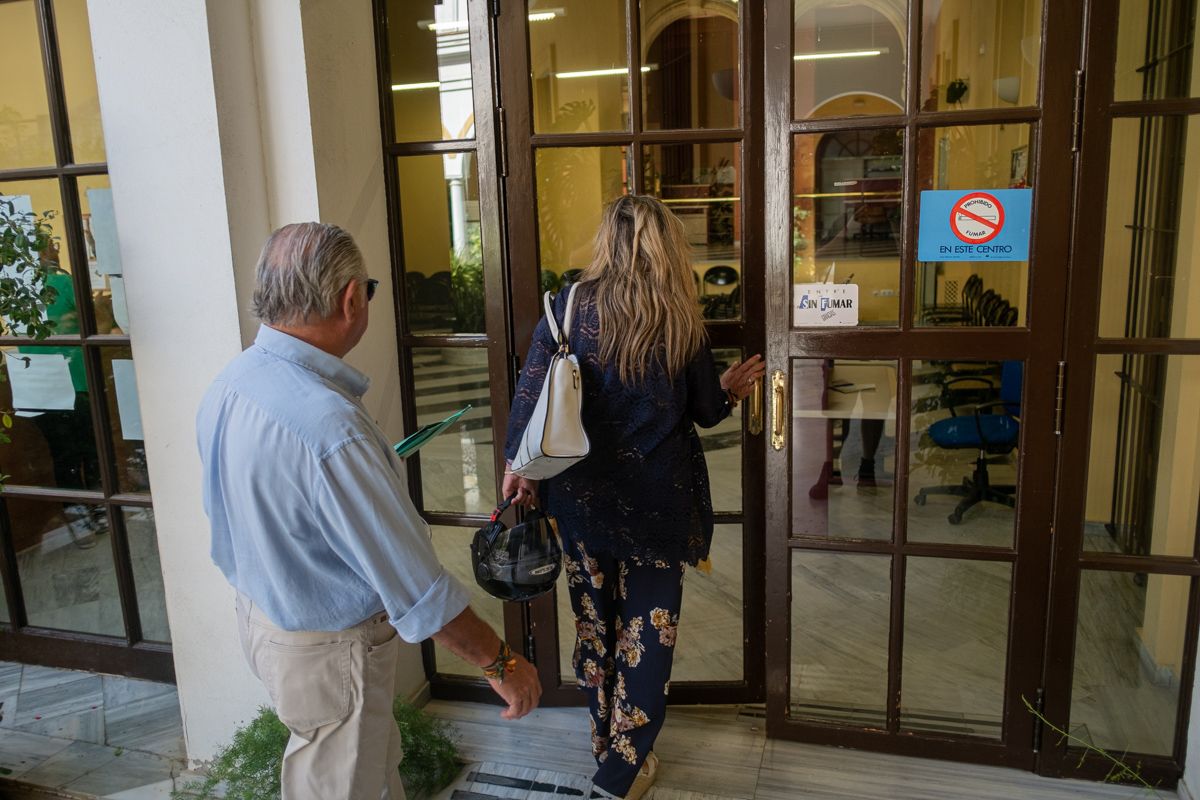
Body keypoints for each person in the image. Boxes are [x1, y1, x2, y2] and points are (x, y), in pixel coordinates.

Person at [196, 222, 541, 800]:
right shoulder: (328, 428)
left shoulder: (234, 381)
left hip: (266, 621)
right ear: (351, 299)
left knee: (372, 777)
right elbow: (416, 587)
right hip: (328, 651)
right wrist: (501, 663)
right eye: (370, 290)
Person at [502, 196, 765, 800]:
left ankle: (604, 744)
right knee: (648, 634)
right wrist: (728, 389)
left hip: (581, 500)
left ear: (606, 242)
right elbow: (705, 409)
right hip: (658, 504)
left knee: (595, 627)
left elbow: (530, 397)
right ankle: (622, 771)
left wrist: (518, 469)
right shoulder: (679, 317)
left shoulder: (566, 307)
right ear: (667, 245)